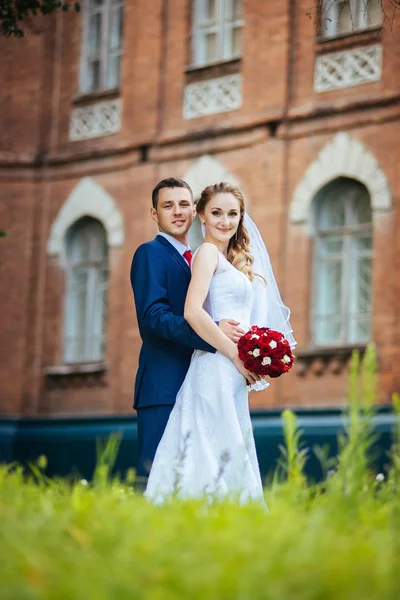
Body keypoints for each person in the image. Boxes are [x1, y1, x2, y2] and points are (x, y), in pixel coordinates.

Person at [145, 182, 296, 504]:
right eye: (216, 213)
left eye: (232, 214)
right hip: (214, 364)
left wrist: (259, 351)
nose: (224, 221)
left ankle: (230, 516)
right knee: (210, 443)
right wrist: (235, 355)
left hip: (232, 371)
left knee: (230, 441)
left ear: (241, 218)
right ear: (201, 215)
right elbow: (192, 312)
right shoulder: (207, 253)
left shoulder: (235, 260)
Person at [130, 178, 248, 483]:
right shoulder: (149, 253)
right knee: (158, 480)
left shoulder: (198, 257)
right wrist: (215, 336)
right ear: (154, 214)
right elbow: (153, 318)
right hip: (164, 387)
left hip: (201, 382)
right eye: (168, 206)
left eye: (183, 204)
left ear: (195, 211)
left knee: (195, 481)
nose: (177, 212)